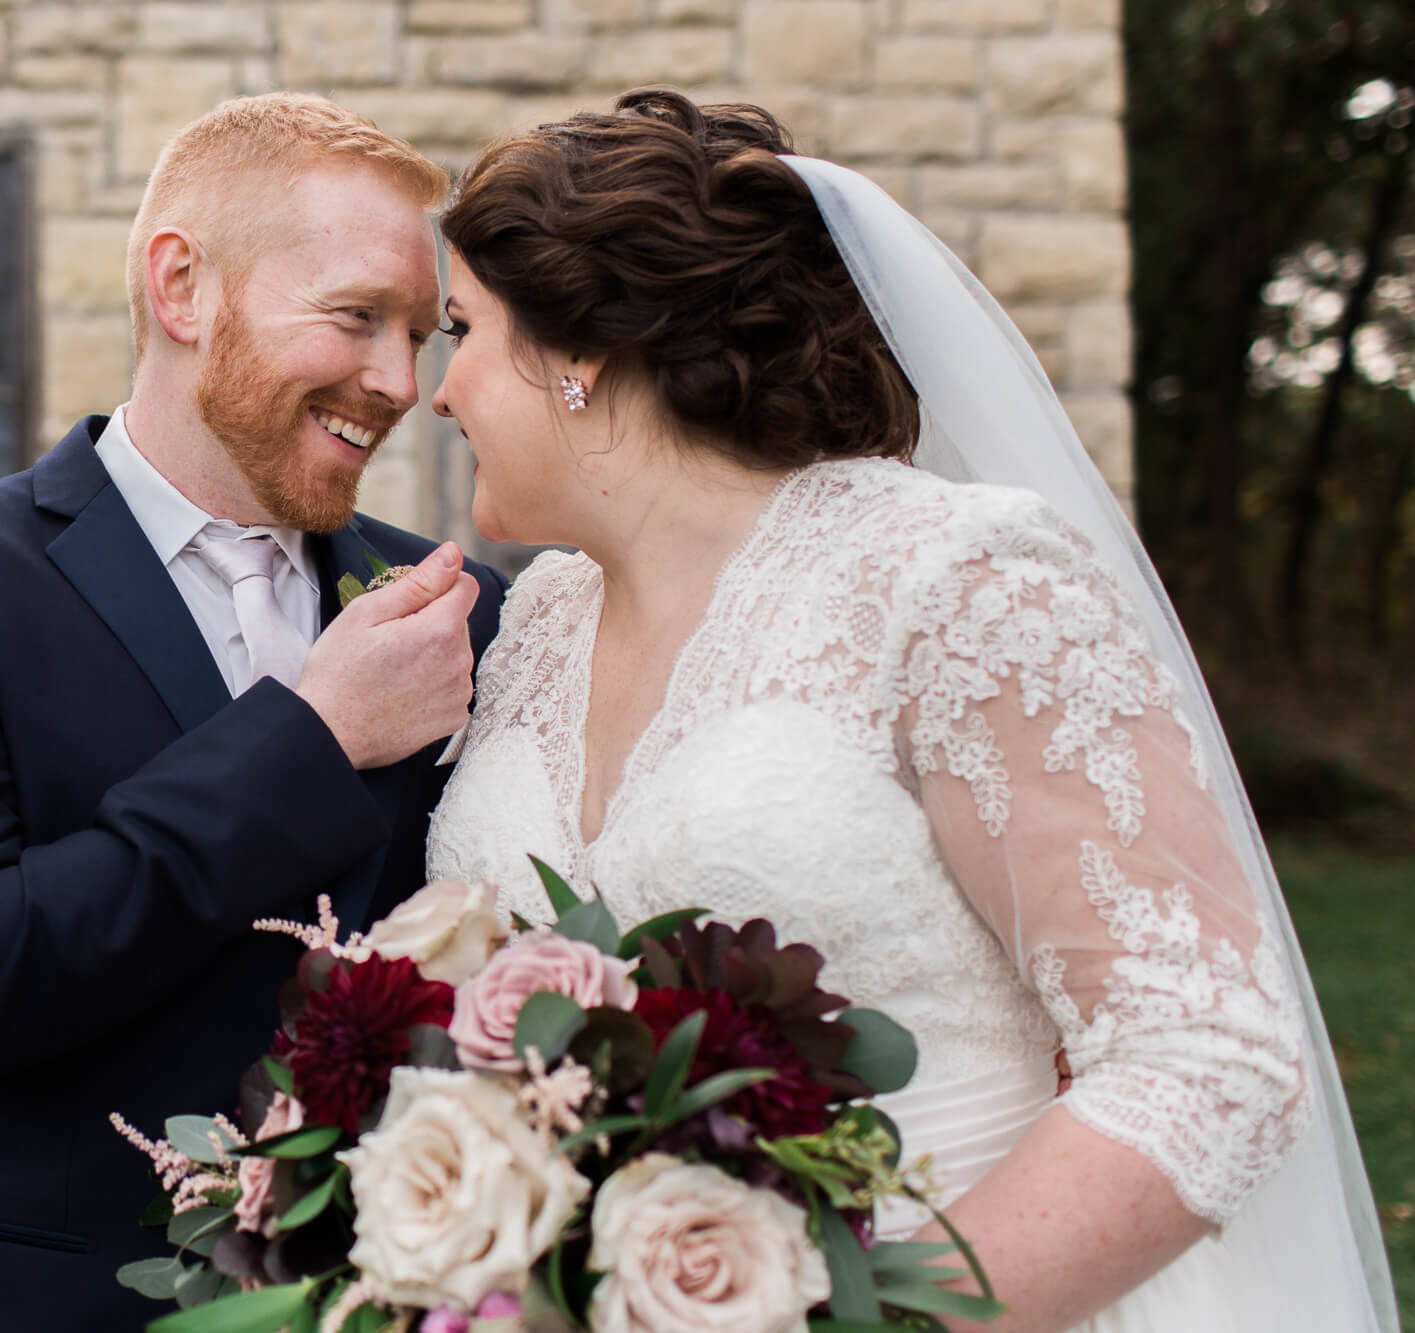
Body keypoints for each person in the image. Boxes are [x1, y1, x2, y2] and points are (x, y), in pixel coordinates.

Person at [424, 90, 1394, 1331]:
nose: (438, 393)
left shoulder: (955, 581)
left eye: (462, 331)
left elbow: (1208, 1055)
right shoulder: (534, 624)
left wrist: (870, 1319)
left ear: (584, 356)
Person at [0, 93, 507, 1331]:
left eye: (423, 331)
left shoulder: (460, 610)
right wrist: (312, 737)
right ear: (183, 288)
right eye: (355, 317)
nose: (400, 381)